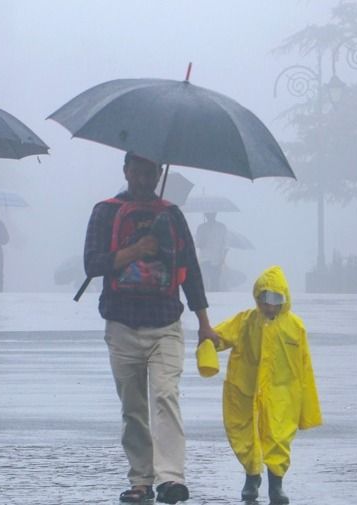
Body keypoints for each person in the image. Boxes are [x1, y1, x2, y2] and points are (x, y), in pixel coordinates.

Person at [84, 152, 220, 504]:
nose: (145, 180)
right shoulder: (105, 212)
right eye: (138, 172)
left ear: (160, 173)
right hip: (122, 323)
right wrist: (135, 251)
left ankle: (171, 478)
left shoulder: (171, 215)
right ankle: (141, 479)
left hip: (166, 323)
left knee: (165, 397)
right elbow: (92, 264)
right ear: (126, 171)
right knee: (133, 408)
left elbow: (190, 269)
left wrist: (204, 323)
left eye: (151, 173)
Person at [211, 265, 322, 504]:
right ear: (258, 297)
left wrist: (308, 408)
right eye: (265, 299)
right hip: (247, 390)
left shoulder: (295, 327)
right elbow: (218, 337)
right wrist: (207, 344)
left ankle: (276, 485)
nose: (270, 306)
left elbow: (305, 367)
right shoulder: (246, 321)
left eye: (276, 300)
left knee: (278, 438)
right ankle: (251, 477)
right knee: (246, 434)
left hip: (283, 394)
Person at [195, 212, 228, 291]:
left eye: (212, 214)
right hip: (205, 259)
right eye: (208, 214)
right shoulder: (201, 228)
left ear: (215, 214)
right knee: (205, 281)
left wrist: (223, 257)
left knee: (215, 282)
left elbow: (225, 244)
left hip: (217, 259)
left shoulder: (221, 227)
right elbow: (197, 243)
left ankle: (215, 295)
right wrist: (201, 241)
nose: (210, 216)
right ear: (206, 215)